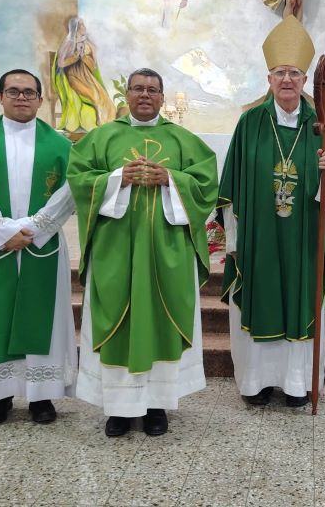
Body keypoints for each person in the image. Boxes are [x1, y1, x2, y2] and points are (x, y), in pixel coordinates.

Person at [68, 67, 218, 436]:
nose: (145, 95)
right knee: (116, 320)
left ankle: (156, 406)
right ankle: (118, 409)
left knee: (162, 320)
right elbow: (79, 181)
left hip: (167, 252)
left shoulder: (183, 140)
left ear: (163, 97)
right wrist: (118, 178)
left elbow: (206, 186)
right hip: (115, 249)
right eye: (138, 88)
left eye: (152, 89)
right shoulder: (101, 137)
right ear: (127, 95)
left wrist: (171, 179)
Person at [218, 15, 325, 407]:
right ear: (269, 79)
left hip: (304, 239)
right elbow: (231, 185)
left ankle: (298, 383)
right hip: (258, 237)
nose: (287, 80)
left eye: (294, 73)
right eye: (280, 73)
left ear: (305, 80)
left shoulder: (322, 125)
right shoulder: (250, 123)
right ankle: (256, 382)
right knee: (260, 298)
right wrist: (233, 242)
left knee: (300, 299)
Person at [0, 69, 76, 425]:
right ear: (0, 97)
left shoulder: (62, 146)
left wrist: (35, 228)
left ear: (40, 98)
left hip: (42, 245)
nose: (21, 97)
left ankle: (42, 396)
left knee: (43, 314)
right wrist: (2, 232)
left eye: (28, 92)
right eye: (13, 91)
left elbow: (70, 190)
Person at [52, 17, 116, 132]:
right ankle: (98, 123)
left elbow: (93, 66)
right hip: (73, 77)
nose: (84, 27)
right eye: (82, 25)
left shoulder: (88, 44)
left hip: (87, 77)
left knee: (104, 99)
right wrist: (75, 57)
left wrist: (85, 58)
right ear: (76, 28)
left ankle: (105, 126)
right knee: (94, 97)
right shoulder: (69, 43)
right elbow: (61, 63)